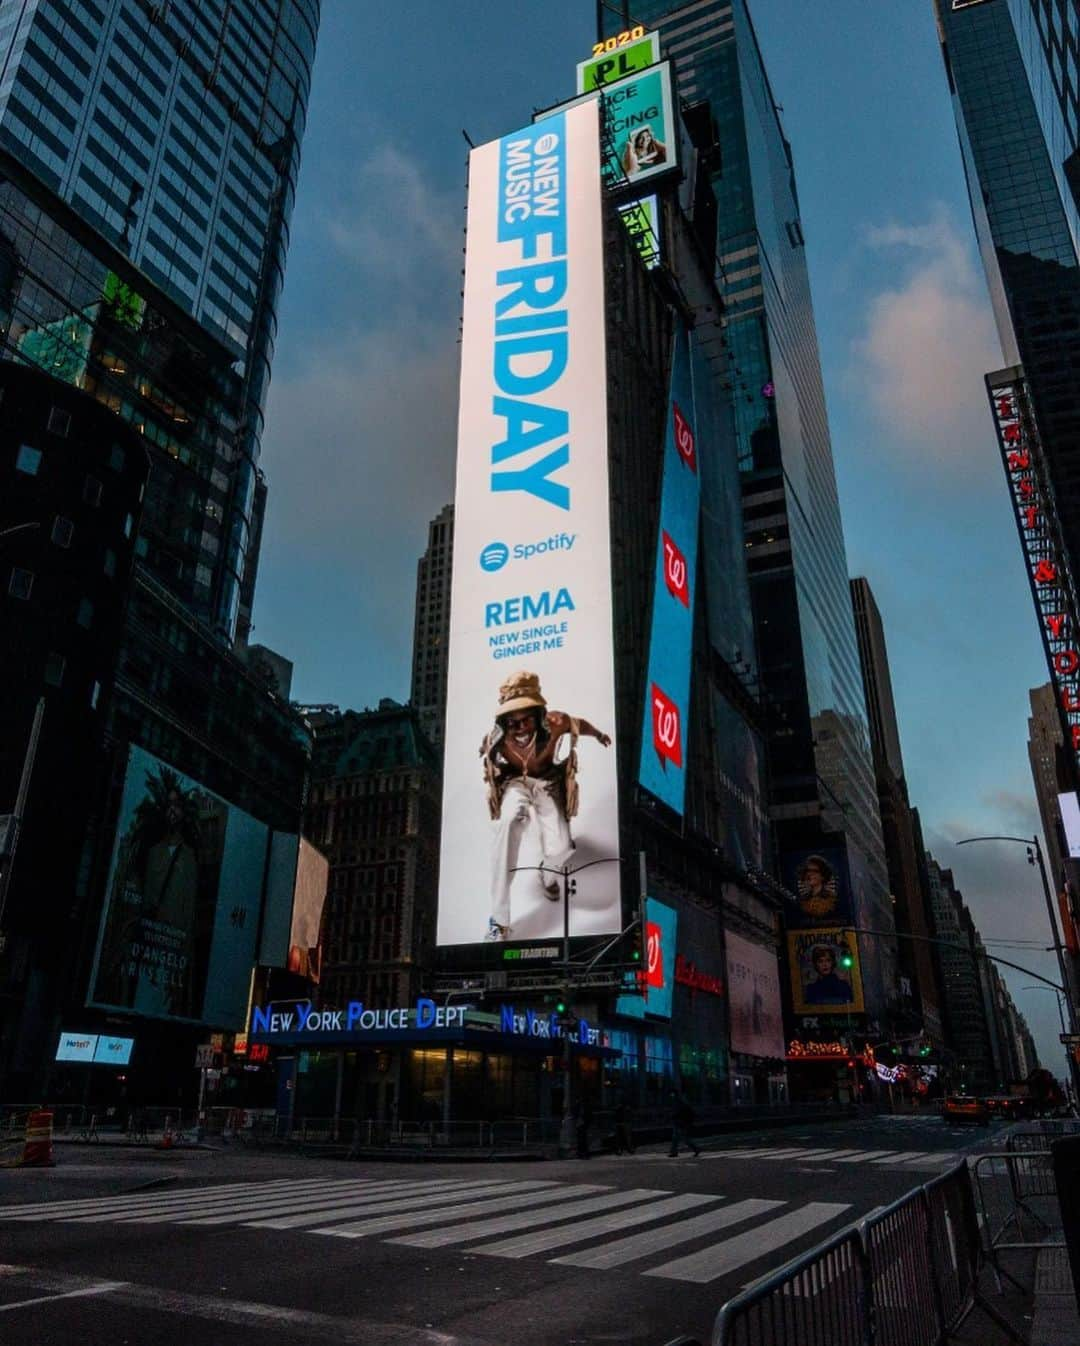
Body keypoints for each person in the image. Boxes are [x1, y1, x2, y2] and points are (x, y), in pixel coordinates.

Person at [480, 670, 611, 943]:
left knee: (563, 848)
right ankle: (499, 921)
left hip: (548, 784)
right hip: (516, 783)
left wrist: (599, 734)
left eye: (525, 719)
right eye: (511, 722)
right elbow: (486, 756)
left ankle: (546, 873)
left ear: (539, 715)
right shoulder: (497, 739)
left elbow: (580, 725)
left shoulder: (557, 722)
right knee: (508, 823)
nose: (519, 729)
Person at [796, 854, 839, 920]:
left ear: (823, 876)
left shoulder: (831, 897)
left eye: (815, 871)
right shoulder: (803, 898)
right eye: (808, 870)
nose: (810, 874)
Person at [669, 1091, 700, 1157]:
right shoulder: (680, 1103)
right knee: (676, 1139)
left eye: (672, 1095)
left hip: (681, 1123)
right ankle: (674, 1152)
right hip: (679, 1123)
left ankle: (696, 1149)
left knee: (684, 1139)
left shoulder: (679, 1104)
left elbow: (678, 1113)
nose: (671, 1096)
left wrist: (673, 1116)